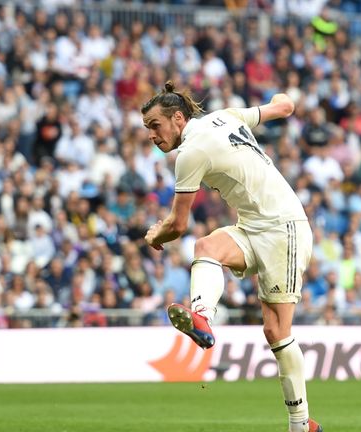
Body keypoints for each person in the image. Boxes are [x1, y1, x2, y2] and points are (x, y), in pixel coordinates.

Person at [141, 82, 322, 432]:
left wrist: (154, 235)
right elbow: (282, 109)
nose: (151, 134)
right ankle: (203, 318)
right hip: (252, 224)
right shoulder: (226, 116)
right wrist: (284, 99)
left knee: (276, 330)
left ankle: (301, 425)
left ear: (178, 117)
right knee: (206, 247)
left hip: (284, 229)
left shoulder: (191, 153)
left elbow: (177, 225)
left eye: (154, 125)